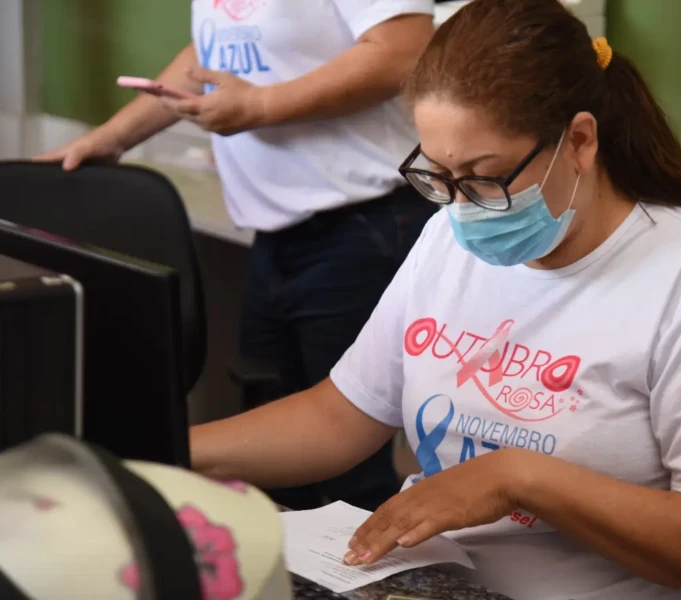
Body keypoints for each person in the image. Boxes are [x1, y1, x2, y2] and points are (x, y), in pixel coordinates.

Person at [190, 0, 681, 598]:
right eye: (438, 176)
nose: (460, 207)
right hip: (429, 582)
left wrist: (521, 479)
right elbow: (340, 416)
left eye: (486, 176)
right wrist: (158, 450)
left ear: (581, 141)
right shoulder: (448, 237)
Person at [36, 1, 438, 511]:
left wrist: (261, 107)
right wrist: (110, 139)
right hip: (277, 234)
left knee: (349, 467)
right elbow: (208, 55)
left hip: (363, 226)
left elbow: (403, 54)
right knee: (272, 459)